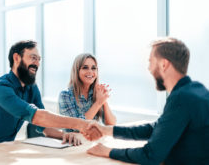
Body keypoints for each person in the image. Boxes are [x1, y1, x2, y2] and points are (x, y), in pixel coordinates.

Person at [85, 37, 209, 165]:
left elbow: (150, 155)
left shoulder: (181, 98)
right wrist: (107, 130)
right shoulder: (196, 89)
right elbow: (158, 128)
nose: (149, 68)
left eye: (151, 61)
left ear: (163, 64)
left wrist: (107, 151)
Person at [0, 40, 101, 147]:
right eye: (33, 58)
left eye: (39, 59)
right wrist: (80, 123)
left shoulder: (31, 88)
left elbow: (43, 125)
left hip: (5, 151)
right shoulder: (0, 88)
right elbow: (38, 116)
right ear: (16, 58)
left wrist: (64, 135)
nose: (37, 64)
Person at [59, 53, 116, 133]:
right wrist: (98, 103)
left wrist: (104, 100)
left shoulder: (96, 94)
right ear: (77, 71)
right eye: (85, 68)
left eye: (93, 68)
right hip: (73, 143)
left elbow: (111, 125)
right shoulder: (65, 95)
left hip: (93, 141)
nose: (90, 72)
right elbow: (77, 127)